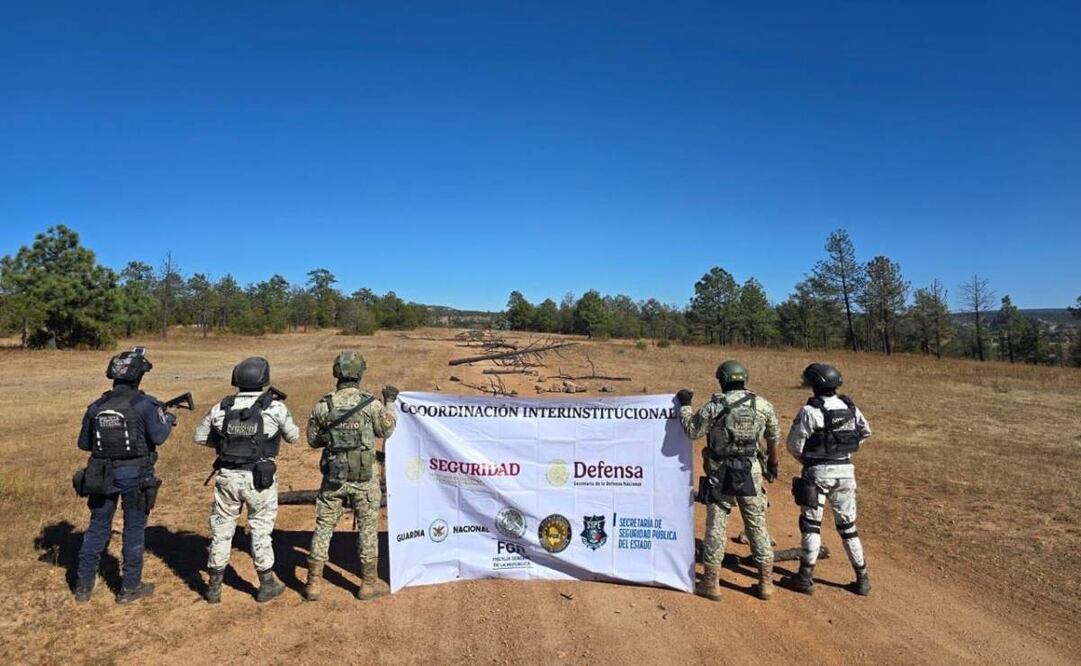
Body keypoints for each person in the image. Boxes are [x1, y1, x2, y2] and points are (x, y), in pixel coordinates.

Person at [193, 357, 299, 603]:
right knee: (261, 529)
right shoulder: (275, 407)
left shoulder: (221, 407)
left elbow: (199, 436)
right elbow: (293, 436)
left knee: (221, 531)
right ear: (264, 378)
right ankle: (266, 583)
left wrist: (225, 445)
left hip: (227, 477)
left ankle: (214, 587)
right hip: (259, 479)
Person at [74, 350, 174, 604]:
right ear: (139, 377)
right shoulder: (146, 405)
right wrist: (168, 419)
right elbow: (159, 436)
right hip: (136, 475)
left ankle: (83, 587)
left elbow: (84, 444)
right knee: (134, 530)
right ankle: (129, 588)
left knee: (97, 528)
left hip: (101, 475)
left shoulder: (96, 406)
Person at [676, 360, 781, 601]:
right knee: (756, 525)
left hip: (720, 472)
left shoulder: (715, 406)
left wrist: (685, 405)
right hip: (751, 471)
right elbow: (773, 437)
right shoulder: (763, 405)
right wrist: (773, 465)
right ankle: (766, 583)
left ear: (722, 380)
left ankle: (711, 583)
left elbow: (692, 431)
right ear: (745, 378)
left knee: (716, 525)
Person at [303, 351, 398, 601]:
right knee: (368, 529)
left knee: (324, 527)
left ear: (336, 372)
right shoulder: (371, 405)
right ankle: (368, 584)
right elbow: (387, 430)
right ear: (360, 373)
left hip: (333, 479)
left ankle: (313, 584)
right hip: (364, 479)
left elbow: (313, 440)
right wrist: (390, 402)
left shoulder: (323, 405)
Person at [786, 363, 873, 596]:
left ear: (814, 384)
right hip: (846, 472)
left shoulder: (809, 411)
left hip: (817, 473)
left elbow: (793, 445)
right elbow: (865, 432)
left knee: (811, 524)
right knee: (848, 528)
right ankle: (863, 579)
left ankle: (804, 577)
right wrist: (844, 453)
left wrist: (809, 460)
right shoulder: (850, 408)